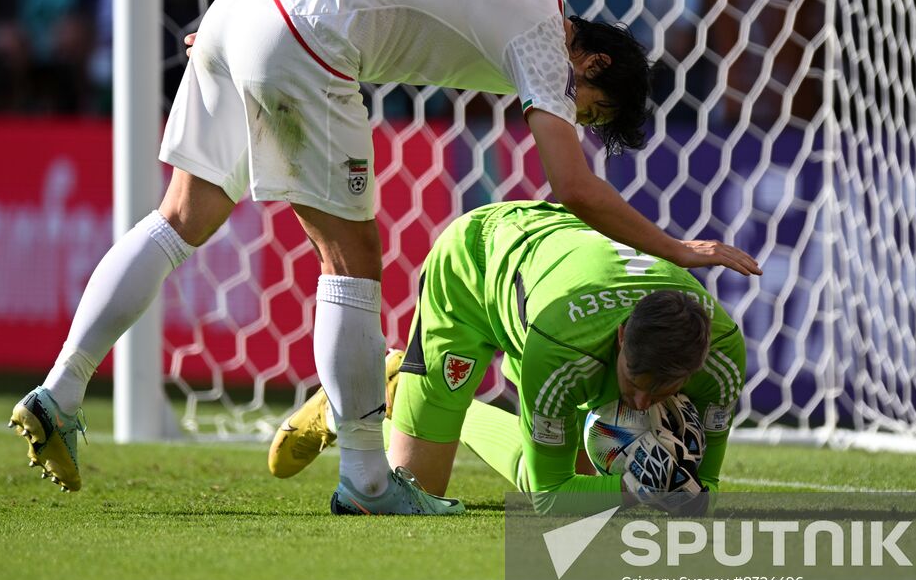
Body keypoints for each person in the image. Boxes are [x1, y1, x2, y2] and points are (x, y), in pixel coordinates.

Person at [8, 0, 759, 505]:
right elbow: (573, 186)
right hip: (305, 35)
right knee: (354, 258)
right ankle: (367, 481)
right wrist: (681, 249)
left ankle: (62, 388)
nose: (569, 113)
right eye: (587, 109)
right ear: (591, 64)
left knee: (179, 219)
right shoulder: (543, 37)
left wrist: (245, 19)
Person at [272, 200, 746, 514]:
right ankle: (385, 388)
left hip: (556, 266)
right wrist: (640, 496)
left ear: (696, 367)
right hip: (475, 266)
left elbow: (707, 485)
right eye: (634, 382)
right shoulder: (562, 351)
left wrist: (691, 496)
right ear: (622, 338)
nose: (642, 402)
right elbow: (549, 499)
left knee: (588, 474)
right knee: (415, 488)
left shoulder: (722, 359)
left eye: (661, 390)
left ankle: (396, 390)